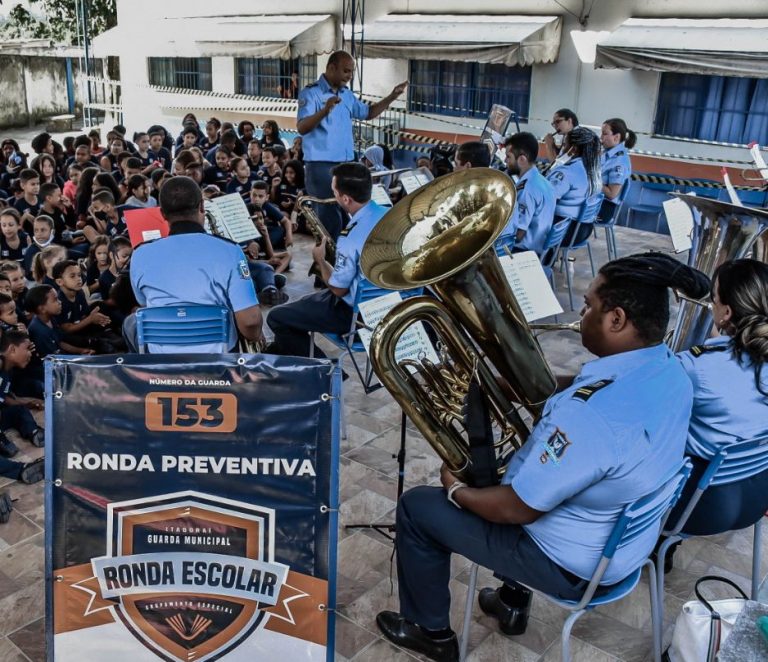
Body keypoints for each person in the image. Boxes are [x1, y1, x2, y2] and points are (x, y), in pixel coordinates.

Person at [375, 253, 710, 662]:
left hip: (571, 569)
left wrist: (456, 489)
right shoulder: (670, 369)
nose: (582, 314)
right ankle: (511, 603)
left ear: (617, 319)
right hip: (624, 547)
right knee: (524, 473)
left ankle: (431, 634)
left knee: (419, 507)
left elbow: (517, 509)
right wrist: (515, 383)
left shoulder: (590, 417)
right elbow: (586, 395)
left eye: (588, 305)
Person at [666, 259, 768, 542]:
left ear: (726, 313)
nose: (710, 305)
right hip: (757, 498)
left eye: (714, 300)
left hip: (701, 509)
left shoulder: (696, 366)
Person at [128, 176, 264, 353]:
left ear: (162, 214)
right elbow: (250, 322)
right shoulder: (230, 251)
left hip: (162, 362)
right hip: (219, 362)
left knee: (129, 323)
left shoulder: (140, 254)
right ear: (202, 206)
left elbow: (143, 302)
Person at [267, 163, 386, 358]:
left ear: (346, 198)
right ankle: (281, 354)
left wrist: (320, 260)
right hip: (391, 304)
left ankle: (324, 371)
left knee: (277, 317)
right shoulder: (388, 215)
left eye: (334, 192)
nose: (333, 197)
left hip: (358, 316)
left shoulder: (350, 238)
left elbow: (339, 290)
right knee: (305, 302)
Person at [297, 50, 407, 240]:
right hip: (321, 165)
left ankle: (343, 260)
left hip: (346, 164)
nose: (349, 77)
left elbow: (368, 113)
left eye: (351, 72)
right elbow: (302, 127)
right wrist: (325, 110)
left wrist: (392, 96)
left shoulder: (346, 95)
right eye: (346, 71)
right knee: (329, 220)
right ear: (331, 68)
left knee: (348, 217)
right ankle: (328, 264)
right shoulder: (311, 93)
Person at [497, 132, 555, 257]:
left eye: (509, 157)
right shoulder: (543, 181)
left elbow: (518, 235)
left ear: (522, 159)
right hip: (541, 246)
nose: (506, 161)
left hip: (524, 252)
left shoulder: (526, 190)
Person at [547, 126, 602, 245]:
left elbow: (546, 200)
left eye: (565, 144)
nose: (563, 149)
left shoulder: (567, 172)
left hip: (564, 231)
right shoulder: (594, 170)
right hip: (583, 229)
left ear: (573, 149)